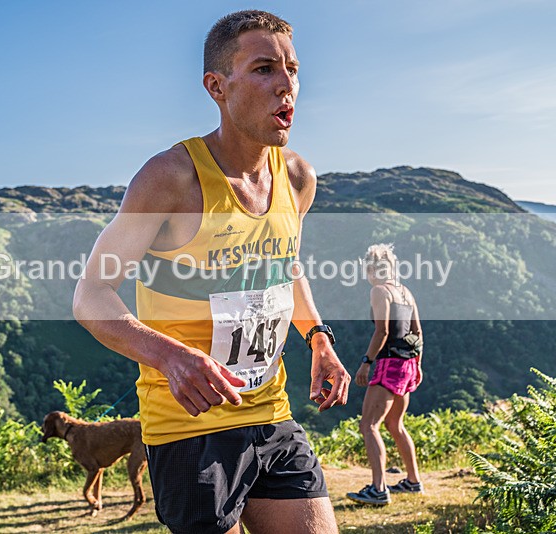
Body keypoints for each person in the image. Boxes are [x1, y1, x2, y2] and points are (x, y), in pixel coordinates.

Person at [73, 10, 351, 534]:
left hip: (270, 412)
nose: (287, 84)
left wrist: (317, 337)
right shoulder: (172, 177)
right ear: (216, 86)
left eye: (292, 69)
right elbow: (91, 293)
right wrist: (170, 357)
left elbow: (285, 266)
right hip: (189, 424)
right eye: (265, 69)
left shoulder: (297, 177)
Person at [346, 244, 424, 506]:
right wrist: (417, 365)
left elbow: (382, 331)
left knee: (369, 425)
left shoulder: (380, 291)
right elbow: (417, 333)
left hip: (389, 363)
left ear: (371, 269)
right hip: (407, 364)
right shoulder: (405, 292)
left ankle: (378, 489)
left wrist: (366, 362)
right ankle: (413, 481)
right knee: (395, 425)